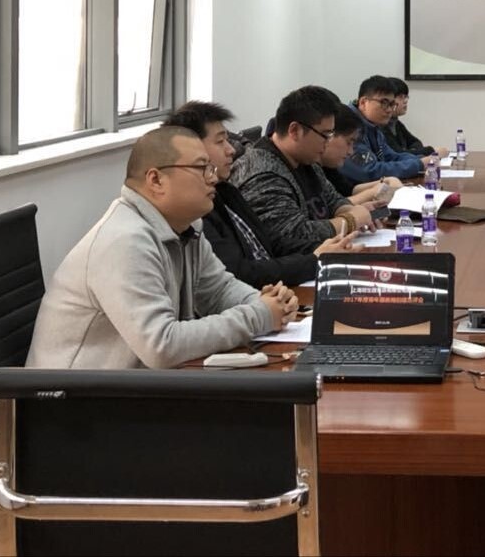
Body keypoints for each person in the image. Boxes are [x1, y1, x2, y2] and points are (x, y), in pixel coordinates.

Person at [26, 126, 298, 369]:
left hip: (133, 389)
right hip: (73, 400)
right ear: (156, 180)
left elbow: (219, 290)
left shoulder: (186, 227)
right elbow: (161, 346)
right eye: (201, 168)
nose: (213, 178)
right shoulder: (125, 241)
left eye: (211, 168)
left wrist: (267, 303)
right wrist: (259, 315)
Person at [164, 101, 358, 289]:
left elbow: (270, 246)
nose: (231, 149)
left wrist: (326, 250)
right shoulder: (196, 210)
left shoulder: (225, 191)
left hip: (271, 294)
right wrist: (317, 258)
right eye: (220, 141)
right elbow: (239, 274)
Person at [231, 86, 375, 254]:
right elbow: (291, 236)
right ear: (295, 130)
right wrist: (350, 221)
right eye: (325, 135)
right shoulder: (261, 173)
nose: (328, 142)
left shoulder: (307, 161)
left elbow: (333, 200)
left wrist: (352, 211)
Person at [339, 75, 428, 187]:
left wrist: (422, 160)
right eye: (384, 103)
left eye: (392, 104)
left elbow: (392, 156)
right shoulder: (350, 125)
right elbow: (369, 171)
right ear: (363, 102)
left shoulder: (373, 125)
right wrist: (419, 164)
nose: (389, 110)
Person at [321, 103, 403, 204]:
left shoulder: (328, 167)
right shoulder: (311, 169)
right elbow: (333, 207)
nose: (351, 152)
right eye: (348, 142)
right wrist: (372, 192)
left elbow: (349, 190)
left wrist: (386, 181)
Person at [383, 77, 449, 158]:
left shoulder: (396, 123)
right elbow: (398, 154)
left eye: (406, 96)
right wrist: (432, 151)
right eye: (400, 97)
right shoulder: (381, 126)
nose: (405, 101)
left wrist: (412, 151)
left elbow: (416, 142)